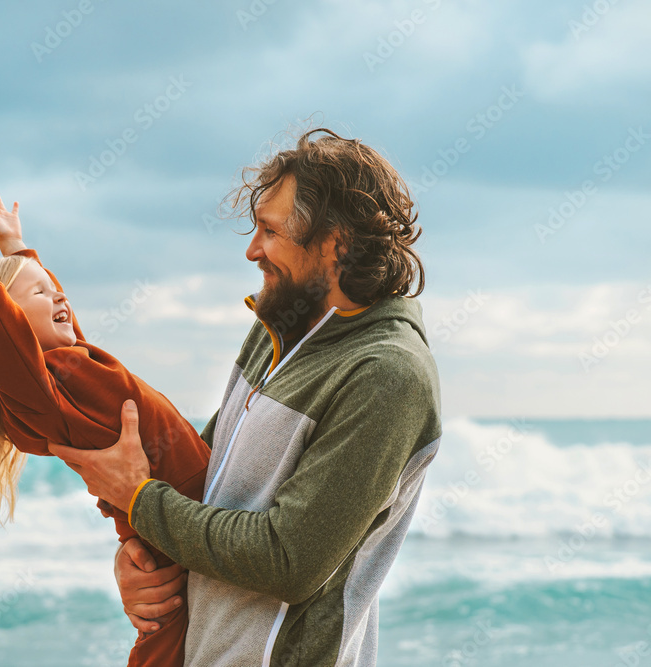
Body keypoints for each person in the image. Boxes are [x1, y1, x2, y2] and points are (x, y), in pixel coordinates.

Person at [50, 128, 443, 666]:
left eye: (269, 231)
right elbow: (200, 478)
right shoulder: (280, 323)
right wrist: (137, 557)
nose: (252, 249)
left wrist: (141, 502)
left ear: (337, 243)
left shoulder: (387, 374)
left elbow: (289, 559)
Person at [0, 186, 211, 667]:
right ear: (11, 324)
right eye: (39, 292)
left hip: (183, 514)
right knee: (162, 644)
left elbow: (59, 318)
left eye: (52, 285)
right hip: (168, 532)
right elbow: (6, 344)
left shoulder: (74, 363)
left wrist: (18, 250)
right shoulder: (43, 397)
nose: (59, 294)